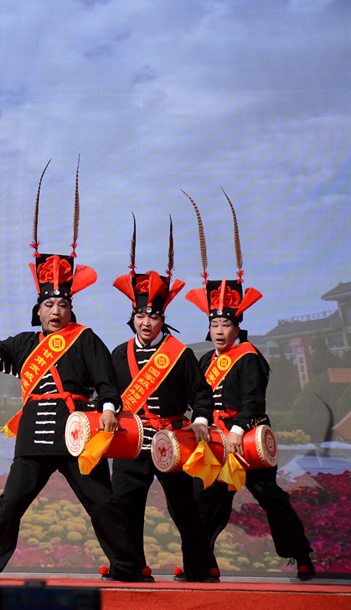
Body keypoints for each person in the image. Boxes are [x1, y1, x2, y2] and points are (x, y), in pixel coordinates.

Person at [0, 161, 148, 582]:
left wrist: (109, 407)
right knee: (11, 502)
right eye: (49, 305)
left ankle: (129, 567)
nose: (56, 311)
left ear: (71, 308)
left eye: (63, 305)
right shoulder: (25, 343)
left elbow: (106, 381)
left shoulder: (85, 338)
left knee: (102, 503)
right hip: (34, 434)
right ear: (38, 310)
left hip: (77, 431)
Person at [184, 191, 315, 580]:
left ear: (237, 326)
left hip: (248, 435)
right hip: (216, 439)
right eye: (213, 324)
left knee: (269, 496)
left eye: (225, 324)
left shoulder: (250, 357)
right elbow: (200, 397)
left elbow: (254, 400)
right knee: (207, 501)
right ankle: (201, 563)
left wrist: (238, 431)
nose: (218, 330)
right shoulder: (205, 361)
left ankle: (301, 555)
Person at [108, 217, 220, 583]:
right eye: (140, 315)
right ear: (133, 317)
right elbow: (107, 393)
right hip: (131, 442)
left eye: (153, 316)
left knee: (184, 508)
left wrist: (200, 420)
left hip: (172, 441)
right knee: (125, 506)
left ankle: (201, 569)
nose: (146, 322)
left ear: (163, 319)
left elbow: (201, 393)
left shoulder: (180, 353)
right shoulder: (118, 353)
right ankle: (130, 568)